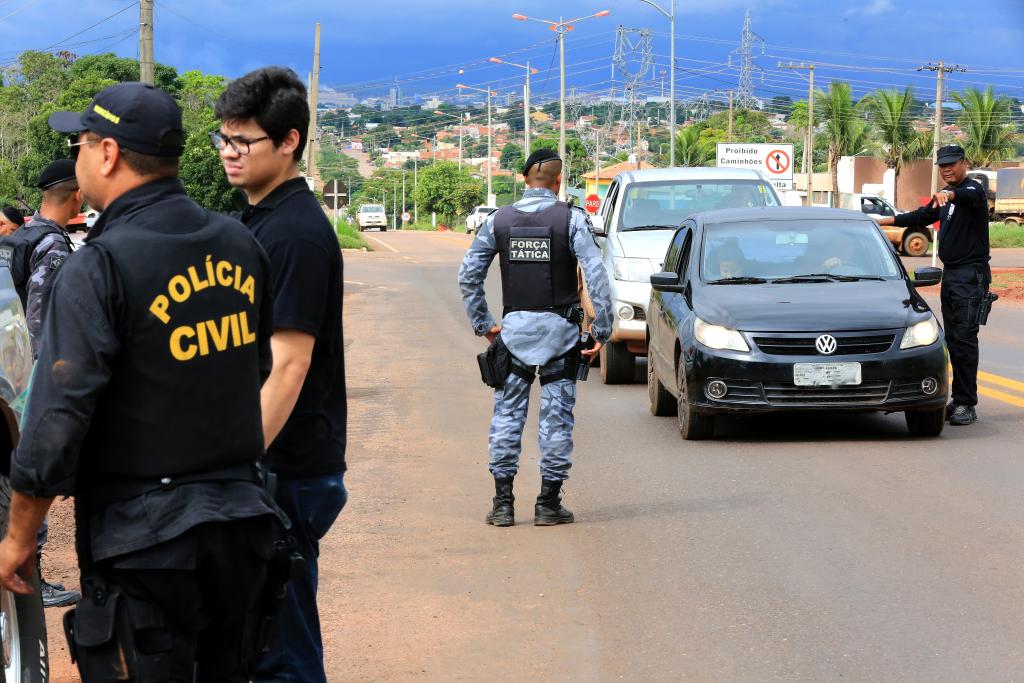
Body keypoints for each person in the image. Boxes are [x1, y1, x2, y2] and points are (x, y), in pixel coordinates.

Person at [0, 82, 283, 680]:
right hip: (240, 528)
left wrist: (19, 535)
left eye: (79, 144)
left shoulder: (99, 265)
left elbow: (56, 419)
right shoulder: (240, 242)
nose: (76, 159)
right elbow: (251, 372)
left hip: (144, 544)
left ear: (107, 154)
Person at [214, 66, 347, 683]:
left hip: (285, 468)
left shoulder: (295, 234)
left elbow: (289, 366)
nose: (229, 154)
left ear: (289, 141)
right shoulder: (256, 221)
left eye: (244, 142)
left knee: (281, 651)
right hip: (272, 462)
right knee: (258, 639)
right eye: (223, 139)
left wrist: (238, 464)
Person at [458, 148, 613, 527]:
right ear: (559, 182)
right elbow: (597, 279)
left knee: (507, 417)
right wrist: (601, 330)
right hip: (562, 338)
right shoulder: (573, 220)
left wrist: (485, 324)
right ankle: (548, 504)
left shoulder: (499, 221)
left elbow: (468, 276)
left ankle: (503, 505)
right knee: (557, 420)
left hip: (512, 339)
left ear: (525, 180)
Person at [0, 159, 83, 609]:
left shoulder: (17, 238)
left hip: (5, 370)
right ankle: (34, 579)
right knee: (35, 472)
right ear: (77, 197)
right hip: (26, 377)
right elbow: (40, 315)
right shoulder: (52, 245)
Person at [877, 144, 990, 426]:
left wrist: (950, 193)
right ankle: (959, 399)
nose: (947, 169)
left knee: (964, 340)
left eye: (952, 164)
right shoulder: (945, 201)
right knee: (951, 340)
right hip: (952, 275)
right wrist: (883, 221)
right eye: (942, 166)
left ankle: (967, 403)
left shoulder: (972, 191)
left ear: (964, 163)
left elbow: (966, 195)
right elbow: (919, 217)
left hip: (970, 276)